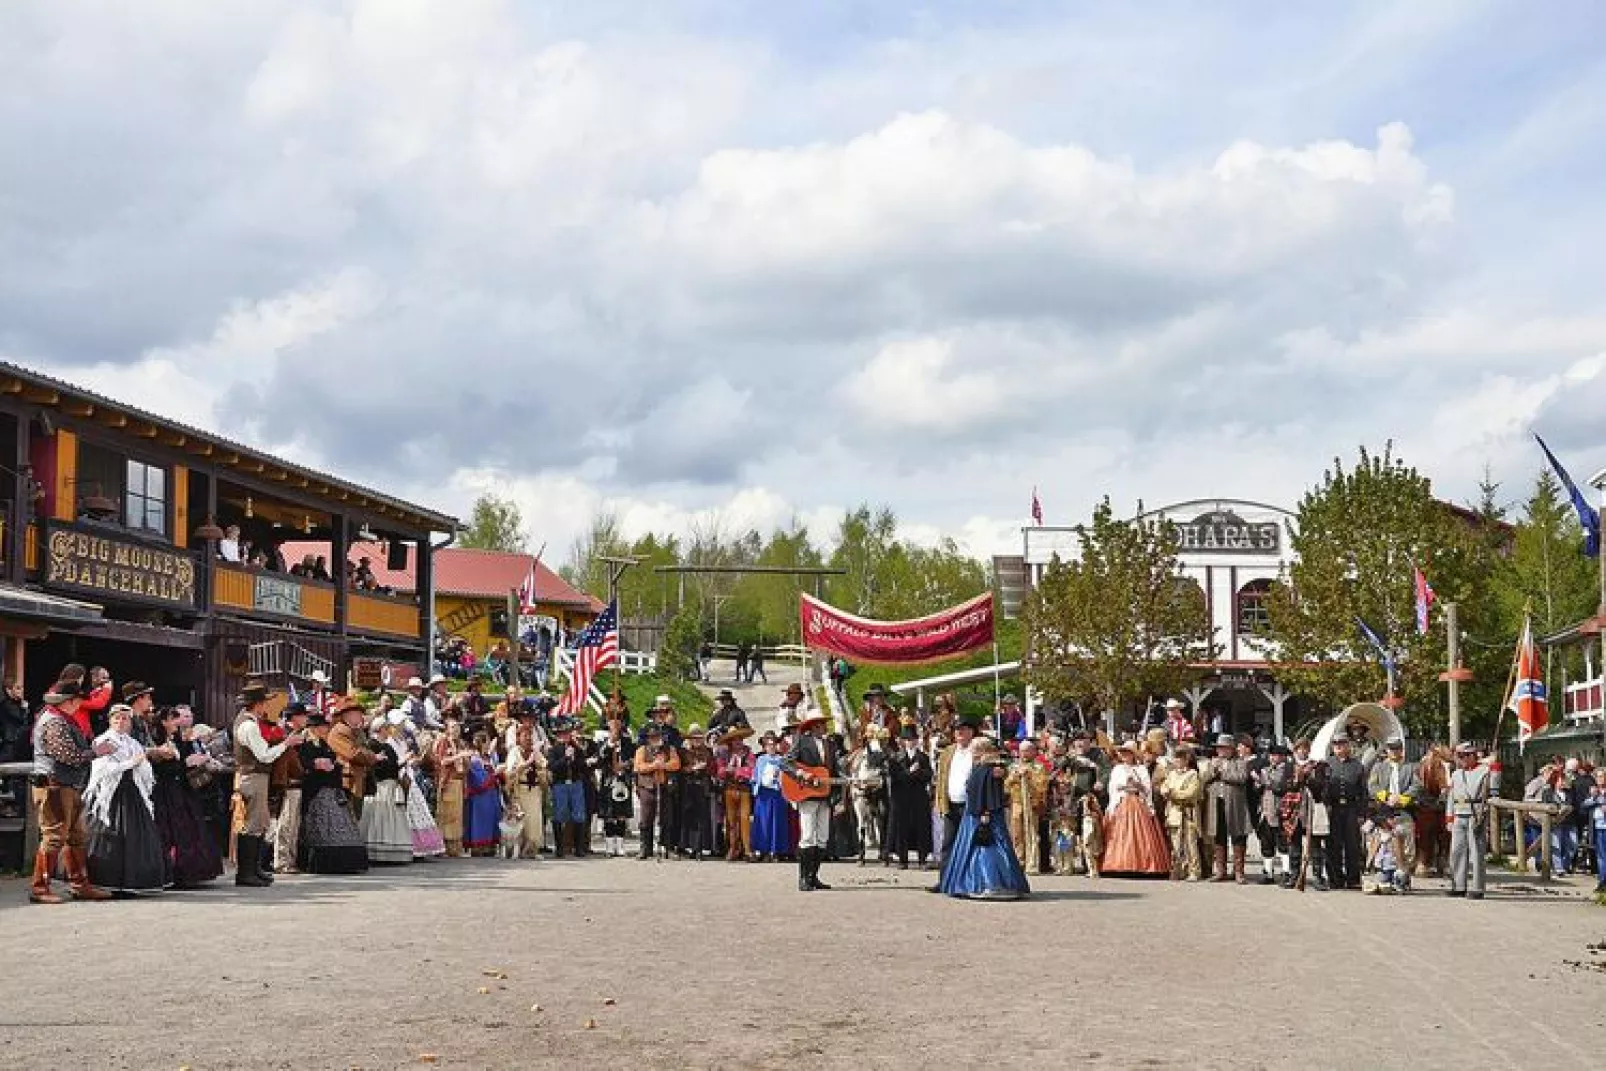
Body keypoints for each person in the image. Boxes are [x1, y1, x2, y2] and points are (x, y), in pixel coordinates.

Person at [82, 704, 167, 895]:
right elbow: (103, 769)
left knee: (136, 836)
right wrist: (131, 763)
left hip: (131, 790)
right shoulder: (102, 740)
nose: (120, 722)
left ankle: (133, 881)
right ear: (110, 721)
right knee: (108, 833)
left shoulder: (132, 742)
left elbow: (143, 765)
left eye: (124, 719)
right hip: (110, 793)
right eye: (116, 718)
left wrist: (142, 765)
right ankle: (102, 879)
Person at [938, 738, 1030, 900]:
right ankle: (972, 883)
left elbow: (991, 792)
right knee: (974, 848)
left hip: (983, 814)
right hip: (974, 813)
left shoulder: (990, 769)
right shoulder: (981, 767)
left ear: (982, 751)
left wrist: (985, 813)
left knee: (987, 849)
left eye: (975, 750)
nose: (972, 753)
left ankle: (991, 883)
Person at [233, 682, 303, 888]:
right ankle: (246, 873)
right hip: (253, 776)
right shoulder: (248, 725)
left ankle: (254, 869)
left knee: (260, 822)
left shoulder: (247, 722)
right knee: (253, 824)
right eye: (264, 703)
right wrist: (285, 744)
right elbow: (264, 755)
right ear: (258, 704)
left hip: (256, 776)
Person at [147, 705, 224, 888]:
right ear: (164, 722)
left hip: (180, 789)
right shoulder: (157, 739)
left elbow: (181, 760)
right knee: (173, 831)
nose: (177, 722)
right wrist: (185, 763)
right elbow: (162, 769)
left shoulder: (175, 738)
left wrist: (190, 751)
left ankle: (187, 873)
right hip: (166, 791)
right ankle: (173, 873)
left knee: (189, 830)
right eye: (173, 719)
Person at [294, 712, 369, 874]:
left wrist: (335, 765)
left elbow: (333, 761)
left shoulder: (325, 744)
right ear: (314, 728)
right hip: (316, 790)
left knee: (340, 824)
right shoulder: (304, 745)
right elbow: (301, 764)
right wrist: (315, 765)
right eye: (323, 727)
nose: (325, 729)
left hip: (331, 788)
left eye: (325, 726)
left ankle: (345, 862)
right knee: (320, 824)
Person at [782, 708, 838, 892]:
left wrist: (847, 782)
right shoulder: (802, 741)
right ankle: (803, 878)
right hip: (806, 794)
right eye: (819, 723)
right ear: (812, 726)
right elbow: (785, 763)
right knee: (807, 836)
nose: (823, 726)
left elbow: (834, 771)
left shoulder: (830, 744)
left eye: (824, 723)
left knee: (823, 837)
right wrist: (800, 773)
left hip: (825, 795)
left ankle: (814, 876)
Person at [1101, 739, 1170, 878]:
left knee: (1141, 834)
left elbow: (1147, 789)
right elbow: (1113, 787)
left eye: (1128, 753)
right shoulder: (1118, 769)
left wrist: (1137, 786)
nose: (1125, 756)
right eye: (1123, 753)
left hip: (1138, 803)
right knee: (1119, 834)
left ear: (1133, 754)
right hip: (1122, 802)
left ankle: (1141, 863)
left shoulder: (1141, 769)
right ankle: (1118, 864)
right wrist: (1124, 787)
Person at [933, 713, 982, 880]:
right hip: (951, 804)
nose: (959, 733)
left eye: (963, 729)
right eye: (956, 730)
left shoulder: (978, 752)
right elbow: (941, 778)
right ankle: (945, 880)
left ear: (971, 732)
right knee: (948, 843)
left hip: (970, 805)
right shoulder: (948, 751)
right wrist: (939, 801)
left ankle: (969, 881)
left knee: (970, 843)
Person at [1368, 736, 1420, 885]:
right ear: (1387, 750)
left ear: (1402, 750)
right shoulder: (1379, 767)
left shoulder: (1410, 767)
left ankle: (1404, 873)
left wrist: (1402, 798)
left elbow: (1417, 786)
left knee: (1407, 843)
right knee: (1385, 842)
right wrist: (1386, 796)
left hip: (1404, 810)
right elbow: (1372, 786)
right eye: (1391, 748)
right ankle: (1386, 872)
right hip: (1384, 810)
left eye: (1397, 748)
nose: (1394, 751)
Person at [1202, 733, 1253, 884]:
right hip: (1217, 802)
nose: (1221, 751)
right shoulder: (1213, 762)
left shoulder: (1240, 762)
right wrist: (1213, 771)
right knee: (1219, 836)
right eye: (1219, 748)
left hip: (1235, 805)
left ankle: (1238, 872)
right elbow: (1205, 779)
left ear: (1231, 749)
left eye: (1224, 748)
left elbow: (1241, 777)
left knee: (1238, 836)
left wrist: (1222, 772)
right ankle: (1220, 870)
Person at [361, 722, 414, 866]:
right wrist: (400, 761)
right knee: (380, 816)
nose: (389, 730)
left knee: (392, 817)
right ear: (380, 729)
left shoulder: (388, 746)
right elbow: (378, 767)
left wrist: (403, 762)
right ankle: (376, 851)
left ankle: (393, 852)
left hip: (392, 784)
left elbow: (394, 764)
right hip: (381, 784)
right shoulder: (372, 744)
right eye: (386, 728)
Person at [885, 721, 934, 869]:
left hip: (919, 797)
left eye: (912, 739)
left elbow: (928, 775)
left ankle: (922, 859)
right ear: (902, 742)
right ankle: (902, 859)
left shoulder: (923, 757)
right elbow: (895, 777)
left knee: (921, 828)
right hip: (901, 798)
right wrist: (909, 772)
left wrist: (917, 772)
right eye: (907, 739)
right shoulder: (896, 758)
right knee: (901, 829)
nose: (910, 742)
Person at [1446, 742, 1492, 900]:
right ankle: (1458, 885)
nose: (1462, 759)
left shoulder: (1485, 771)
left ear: (1474, 755)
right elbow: (1451, 797)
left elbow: (1493, 792)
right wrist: (1449, 817)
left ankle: (1477, 887)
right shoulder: (1456, 774)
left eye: (1466, 755)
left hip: (1476, 813)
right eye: (1460, 756)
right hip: (1459, 813)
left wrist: (1495, 765)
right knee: (1457, 851)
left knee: (1477, 852)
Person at [269, 702, 309, 874]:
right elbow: (283, 759)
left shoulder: (296, 734)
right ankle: (282, 861)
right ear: (295, 717)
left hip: (295, 782)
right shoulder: (282, 734)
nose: (306, 719)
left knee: (293, 824)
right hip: (286, 783)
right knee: (285, 823)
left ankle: (290, 860)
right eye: (303, 715)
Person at [1325, 733, 1367, 890]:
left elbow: (1363, 791)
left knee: (1352, 845)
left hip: (1351, 809)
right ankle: (1335, 878)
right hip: (1333, 808)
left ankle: (1353, 878)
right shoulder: (1327, 764)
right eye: (1336, 745)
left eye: (1342, 744)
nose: (1338, 747)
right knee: (1333, 845)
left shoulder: (1357, 765)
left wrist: (1362, 813)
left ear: (1348, 746)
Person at [633, 724, 680, 859]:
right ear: (648, 738)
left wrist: (663, 765)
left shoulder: (669, 749)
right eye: (653, 737)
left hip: (664, 785)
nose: (656, 739)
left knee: (667, 817)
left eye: (658, 736)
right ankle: (645, 848)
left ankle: (668, 847)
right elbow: (639, 766)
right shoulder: (642, 750)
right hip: (647, 786)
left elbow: (676, 764)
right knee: (646, 817)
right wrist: (653, 766)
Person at [546, 717, 591, 858]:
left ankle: (578, 848)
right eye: (562, 734)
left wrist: (576, 758)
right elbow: (552, 767)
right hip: (560, 784)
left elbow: (583, 766)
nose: (565, 736)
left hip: (576, 783)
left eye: (567, 733)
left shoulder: (576, 748)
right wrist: (565, 758)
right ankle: (560, 848)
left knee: (579, 815)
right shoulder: (554, 750)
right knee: (559, 815)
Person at [328, 697, 378, 820]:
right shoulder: (339, 731)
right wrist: (373, 757)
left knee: (354, 816)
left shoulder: (355, 730)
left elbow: (363, 749)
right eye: (357, 713)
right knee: (346, 817)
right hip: (346, 781)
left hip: (355, 779)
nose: (361, 716)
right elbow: (354, 753)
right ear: (347, 715)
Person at [1159, 745, 1203, 881]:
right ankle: (1179, 869)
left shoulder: (1193, 774)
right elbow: (1164, 787)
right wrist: (1167, 792)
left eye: (1180, 758)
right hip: (1173, 812)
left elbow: (1191, 793)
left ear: (1187, 760)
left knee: (1190, 843)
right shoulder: (1171, 774)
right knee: (1175, 843)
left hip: (1188, 812)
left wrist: (1173, 793)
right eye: (1176, 758)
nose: (1177, 761)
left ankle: (1194, 871)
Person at [1005, 740, 1049, 875]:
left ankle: (1032, 862)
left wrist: (1029, 776)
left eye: (1027, 750)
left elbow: (1043, 786)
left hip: (1031, 804)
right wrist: (1014, 776)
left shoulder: (1039, 767)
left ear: (1033, 752)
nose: (1024, 754)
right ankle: (1019, 861)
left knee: (1032, 833)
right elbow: (1005, 786)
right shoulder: (1013, 766)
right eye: (1022, 751)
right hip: (1017, 803)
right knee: (1017, 834)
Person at [505, 723, 548, 858]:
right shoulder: (514, 752)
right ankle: (517, 850)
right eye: (525, 736)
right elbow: (510, 772)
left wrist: (539, 767)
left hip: (534, 791)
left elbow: (544, 766)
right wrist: (525, 764)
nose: (528, 738)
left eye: (530, 735)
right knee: (520, 823)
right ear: (519, 738)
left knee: (534, 822)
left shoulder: (535, 752)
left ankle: (531, 850)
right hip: (520, 791)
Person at [596, 717, 635, 858]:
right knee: (609, 816)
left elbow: (634, 759)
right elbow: (599, 760)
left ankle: (620, 846)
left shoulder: (628, 744)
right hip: (608, 782)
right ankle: (609, 847)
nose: (615, 733)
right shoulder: (603, 744)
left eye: (617, 730)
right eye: (612, 730)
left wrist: (626, 765)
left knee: (621, 816)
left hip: (623, 782)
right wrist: (609, 745)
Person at [716, 726, 756, 861]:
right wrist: (729, 770)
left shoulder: (748, 753)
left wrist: (735, 771)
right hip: (729, 788)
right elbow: (720, 772)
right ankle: (733, 847)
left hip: (744, 789)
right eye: (734, 739)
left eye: (739, 739)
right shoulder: (725, 753)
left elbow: (751, 771)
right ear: (731, 741)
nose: (737, 742)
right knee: (731, 820)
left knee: (744, 818)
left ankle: (747, 849)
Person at [677, 723, 716, 859]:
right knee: (689, 817)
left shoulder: (708, 751)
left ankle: (699, 848)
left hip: (703, 785)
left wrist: (704, 767)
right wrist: (692, 768)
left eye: (699, 738)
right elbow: (680, 769)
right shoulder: (684, 752)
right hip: (688, 785)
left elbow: (713, 769)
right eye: (694, 738)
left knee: (702, 818)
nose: (696, 741)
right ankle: (689, 846)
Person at [750, 732, 790, 862]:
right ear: (764, 746)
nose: (771, 747)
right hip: (763, 794)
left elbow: (786, 776)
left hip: (777, 794)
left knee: (776, 822)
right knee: (763, 822)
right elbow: (755, 776)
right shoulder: (760, 759)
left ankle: (776, 851)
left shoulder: (781, 759)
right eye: (768, 744)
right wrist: (755, 786)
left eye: (773, 744)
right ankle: (763, 850)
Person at [462, 732, 504, 857]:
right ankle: (479, 846)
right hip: (480, 797)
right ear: (482, 743)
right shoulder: (474, 760)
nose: (489, 744)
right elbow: (479, 782)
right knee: (481, 820)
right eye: (487, 742)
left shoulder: (488, 758)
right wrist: (495, 774)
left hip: (491, 794)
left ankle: (490, 845)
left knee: (492, 818)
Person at [1581, 768, 1606, 894]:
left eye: (1602, 776)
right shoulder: (1594, 792)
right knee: (1601, 856)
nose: (1600, 779)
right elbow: (1584, 805)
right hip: (1597, 827)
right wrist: (1594, 798)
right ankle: (1602, 881)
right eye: (1598, 777)